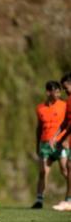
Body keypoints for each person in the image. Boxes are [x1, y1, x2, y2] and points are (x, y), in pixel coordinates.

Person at [31, 81, 67, 209]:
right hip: (45, 144)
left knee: (65, 170)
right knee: (43, 172)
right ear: (48, 92)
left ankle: (69, 199)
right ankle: (39, 200)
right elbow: (39, 128)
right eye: (56, 91)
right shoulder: (40, 108)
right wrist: (37, 145)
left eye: (59, 91)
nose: (58, 93)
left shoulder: (64, 105)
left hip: (61, 144)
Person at [51, 73, 71, 211]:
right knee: (69, 167)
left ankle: (68, 200)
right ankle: (68, 200)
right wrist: (56, 136)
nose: (65, 91)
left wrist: (63, 139)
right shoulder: (69, 101)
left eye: (66, 87)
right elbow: (66, 122)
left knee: (69, 167)